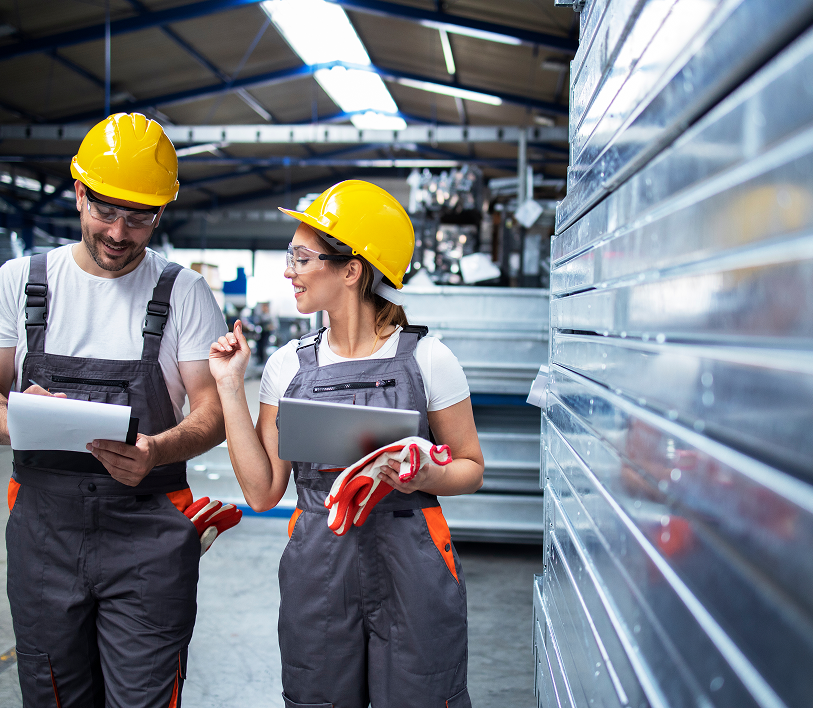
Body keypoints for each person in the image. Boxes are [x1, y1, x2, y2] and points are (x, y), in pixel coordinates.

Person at [209, 179, 485, 707]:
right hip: (319, 565)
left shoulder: (430, 359)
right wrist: (228, 386)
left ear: (351, 270)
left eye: (301, 256)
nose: (289, 270)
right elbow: (264, 492)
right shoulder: (288, 365)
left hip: (414, 559)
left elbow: (471, 467)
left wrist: (428, 475)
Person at [0, 113, 229, 707]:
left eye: (139, 217)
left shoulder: (183, 292)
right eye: (106, 211)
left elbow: (211, 412)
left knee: (144, 698)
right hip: (43, 532)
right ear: (78, 191)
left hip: (149, 533)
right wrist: (21, 417)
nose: (120, 233)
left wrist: (157, 450)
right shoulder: (21, 283)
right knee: (53, 693)